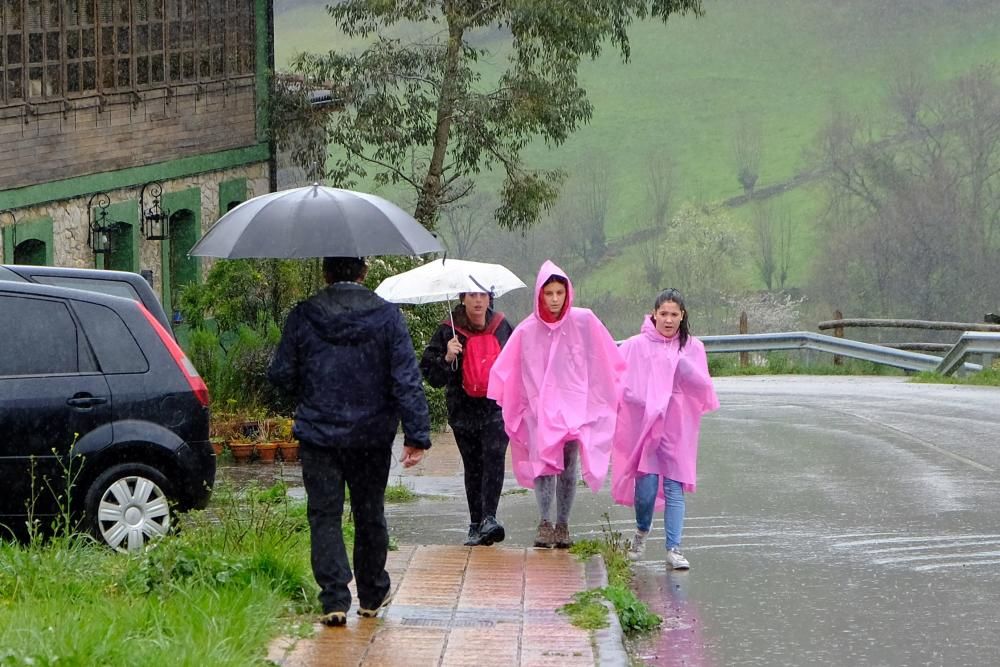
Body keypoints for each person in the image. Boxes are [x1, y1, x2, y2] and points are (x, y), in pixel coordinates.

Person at [267, 256, 431, 627]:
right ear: (364, 272)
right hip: (371, 437)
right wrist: (416, 434)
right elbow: (405, 379)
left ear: (325, 273)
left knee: (324, 515)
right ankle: (372, 595)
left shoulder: (303, 315)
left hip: (319, 437)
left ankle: (334, 599)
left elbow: (280, 374)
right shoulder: (388, 317)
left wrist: (308, 391)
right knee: (369, 512)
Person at [488, 260, 625, 549]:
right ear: (539, 295)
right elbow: (508, 369)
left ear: (567, 293)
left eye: (558, 293)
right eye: (548, 293)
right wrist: (522, 405)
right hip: (540, 410)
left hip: (574, 408)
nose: (553, 299)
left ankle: (562, 523)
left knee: (568, 465)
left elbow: (604, 357)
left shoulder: (584, 322)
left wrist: (600, 396)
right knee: (544, 464)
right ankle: (544, 522)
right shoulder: (526, 331)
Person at [611, 288, 718, 569]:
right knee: (645, 490)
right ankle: (641, 531)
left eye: (674, 314)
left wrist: (685, 370)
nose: (668, 320)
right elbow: (617, 379)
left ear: (682, 316)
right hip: (646, 428)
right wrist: (638, 399)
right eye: (663, 314)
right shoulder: (636, 345)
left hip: (678, 427)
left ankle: (674, 547)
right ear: (654, 314)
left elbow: (704, 389)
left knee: (674, 485)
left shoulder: (692, 347)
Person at [420, 291, 514, 546]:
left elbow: (517, 362)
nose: (478, 301)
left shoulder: (502, 325)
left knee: (494, 458)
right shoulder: (448, 330)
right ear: (463, 298)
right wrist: (447, 357)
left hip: (496, 407)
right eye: (472, 295)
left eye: (482, 295)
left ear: (489, 298)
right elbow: (431, 376)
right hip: (462, 410)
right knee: (474, 466)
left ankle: (489, 518)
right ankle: (476, 523)